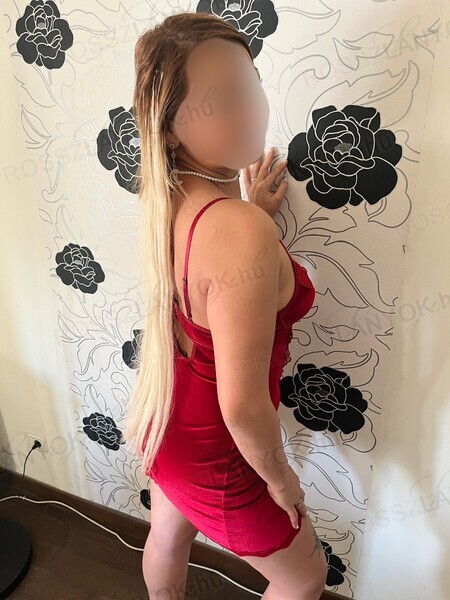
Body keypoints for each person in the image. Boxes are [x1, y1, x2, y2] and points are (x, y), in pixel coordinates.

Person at [124, 11, 328, 600]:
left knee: (168, 535)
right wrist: (281, 480)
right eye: (221, 99)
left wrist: (251, 212)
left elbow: (209, 281)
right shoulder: (237, 229)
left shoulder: (169, 200)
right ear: (169, 129)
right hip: (220, 451)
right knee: (305, 579)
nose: (251, 110)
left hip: (167, 421)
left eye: (249, 85)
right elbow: (241, 406)